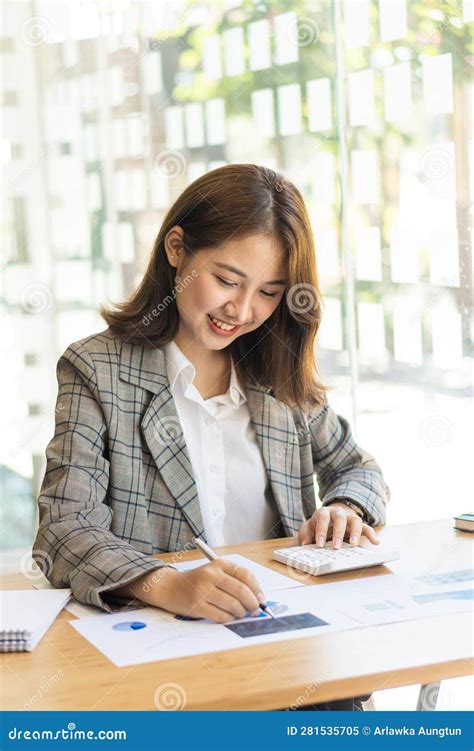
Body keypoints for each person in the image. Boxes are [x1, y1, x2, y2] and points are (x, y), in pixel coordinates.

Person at [34, 164, 389, 710]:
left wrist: (346, 506)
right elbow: (65, 530)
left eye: (269, 292)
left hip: (289, 656)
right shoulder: (97, 370)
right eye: (226, 280)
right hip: (163, 670)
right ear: (177, 249)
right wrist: (166, 584)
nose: (242, 311)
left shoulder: (277, 370)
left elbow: (358, 469)